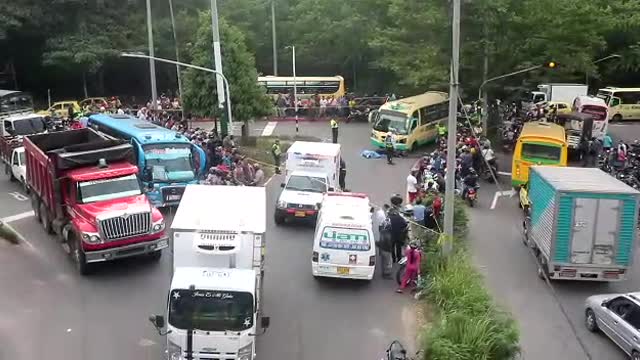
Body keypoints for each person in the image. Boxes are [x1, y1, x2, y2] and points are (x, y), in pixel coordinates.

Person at [375, 206, 394, 279]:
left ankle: (384, 273)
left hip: (382, 249)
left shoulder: (382, 232)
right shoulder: (388, 235)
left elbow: (379, 242)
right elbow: (389, 243)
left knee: (383, 262)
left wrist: (379, 246)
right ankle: (387, 275)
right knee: (388, 263)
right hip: (387, 250)